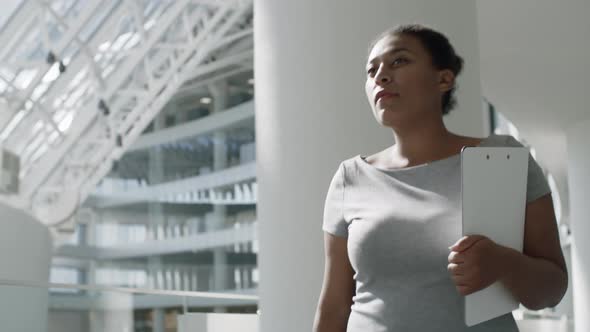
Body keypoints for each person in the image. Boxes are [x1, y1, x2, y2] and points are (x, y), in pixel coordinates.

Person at [312, 23, 568, 331]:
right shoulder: (350, 177)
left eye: (399, 61)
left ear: (443, 78)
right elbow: (334, 305)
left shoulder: (503, 159)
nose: (380, 76)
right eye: (371, 70)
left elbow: (552, 290)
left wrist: (503, 262)